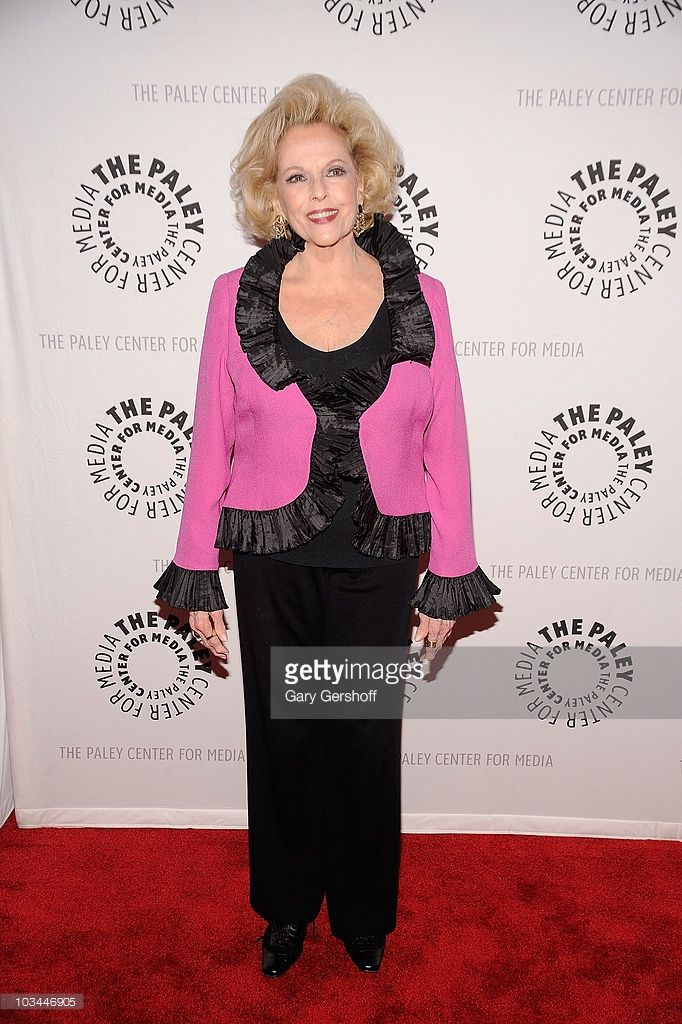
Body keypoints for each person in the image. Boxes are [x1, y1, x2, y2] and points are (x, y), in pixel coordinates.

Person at [153, 72, 501, 978]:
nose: (319, 193)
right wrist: (196, 570)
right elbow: (211, 436)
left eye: (334, 170)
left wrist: (450, 576)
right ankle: (286, 907)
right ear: (272, 193)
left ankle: (360, 909)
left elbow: (448, 440)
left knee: (360, 737)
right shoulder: (234, 294)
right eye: (296, 176)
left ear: (364, 178)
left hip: (378, 556)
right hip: (273, 555)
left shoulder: (422, 296)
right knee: (284, 740)